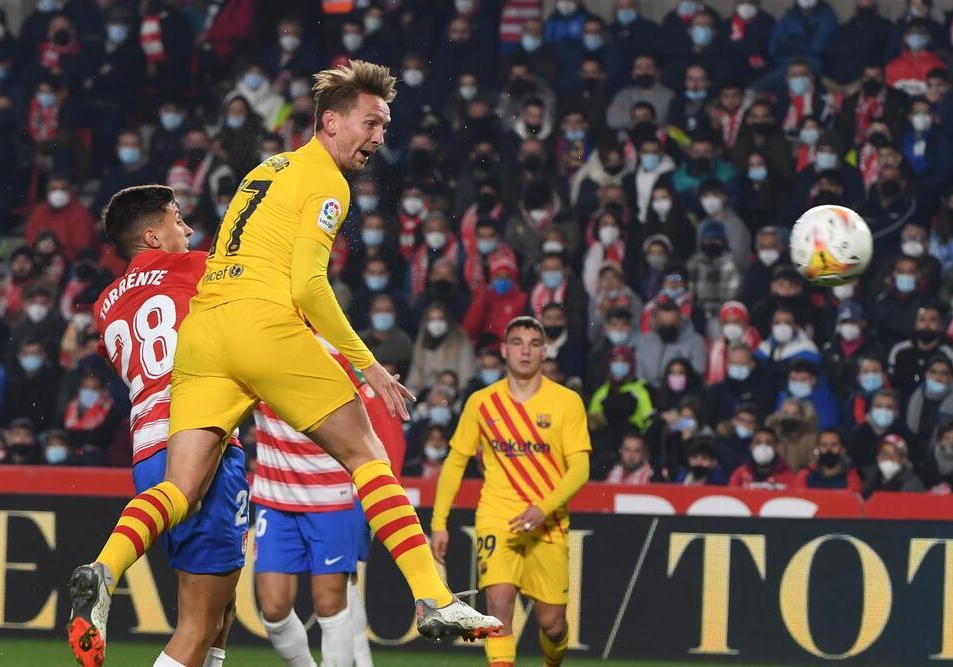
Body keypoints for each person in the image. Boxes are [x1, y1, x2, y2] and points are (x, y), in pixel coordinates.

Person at [69, 62, 502, 667]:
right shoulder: (328, 181)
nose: (379, 136)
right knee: (367, 455)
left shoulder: (264, 169)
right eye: (370, 122)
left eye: (385, 125)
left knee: (180, 487)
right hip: (262, 324)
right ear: (330, 121)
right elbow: (307, 285)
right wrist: (367, 362)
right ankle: (433, 598)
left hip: (206, 337)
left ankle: (104, 569)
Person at [66, 185, 245, 667]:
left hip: (146, 449)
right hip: (200, 434)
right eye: (177, 219)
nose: (186, 229)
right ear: (152, 235)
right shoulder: (195, 266)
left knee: (221, 609)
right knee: (196, 626)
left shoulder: (105, 304)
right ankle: (105, 572)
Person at [431, 316, 591, 667]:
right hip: (497, 518)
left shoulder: (566, 402)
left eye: (534, 344)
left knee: (552, 625)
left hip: (547, 524)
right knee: (498, 609)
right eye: (517, 343)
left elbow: (580, 468)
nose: (525, 351)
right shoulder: (482, 402)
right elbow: (456, 461)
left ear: (544, 352)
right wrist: (439, 522)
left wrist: (543, 508)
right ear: (504, 350)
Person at [254, 340, 405, 667]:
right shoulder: (255, 344)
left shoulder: (340, 355)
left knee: (338, 593)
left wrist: (377, 491)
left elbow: (385, 431)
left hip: (345, 493)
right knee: (341, 590)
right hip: (285, 493)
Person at [795, 429, 863, 492]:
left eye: (834, 445)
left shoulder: (851, 478)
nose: (828, 450)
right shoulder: (805, 475)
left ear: (843, 449)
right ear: (818, 449)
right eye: (824, 445)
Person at [861, 433, 926, 498]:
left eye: (895, 454)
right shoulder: (873, 478)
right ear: (878, 457)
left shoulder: (912, 483)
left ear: (903, 459)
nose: (888, 458)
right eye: (884, 453)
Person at [729, 426, 795, 489]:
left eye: (768, 443)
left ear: (776, 447)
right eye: (758, 443)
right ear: (751, 446)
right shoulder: (740, 474)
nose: (763, 447)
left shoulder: (787, 475)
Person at [919, 421, 953, 493]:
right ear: (939, 441)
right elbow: (923, 486)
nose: (952, 442)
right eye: (947, 438)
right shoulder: (930, 459)